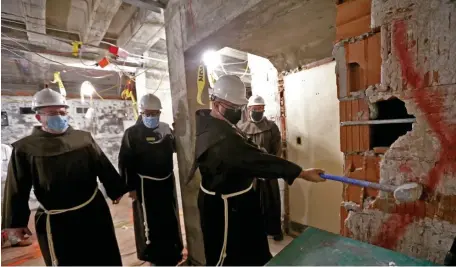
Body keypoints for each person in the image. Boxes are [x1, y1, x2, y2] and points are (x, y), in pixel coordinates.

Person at [192, 74, 326, 266]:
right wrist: (301, 172)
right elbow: (256, 159)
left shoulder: (216, 123)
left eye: (240, 107)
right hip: (226, 207)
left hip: (240, 198)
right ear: (216, 103)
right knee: (230, 255)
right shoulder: (221, 139)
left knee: (252, 247)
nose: (239, 112)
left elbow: (255, 153)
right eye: (234, 108)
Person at [1, 88, 127, 266]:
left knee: (103, 256)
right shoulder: (25, 148)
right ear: (38, 117)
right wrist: (16, 222)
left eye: (62, 112)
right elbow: (17, 187)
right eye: (52, 113)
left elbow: (102, 164)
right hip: (57, 219)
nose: (59, 117)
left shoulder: (83, 138)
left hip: (93, 211)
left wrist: (116, 189)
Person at [118, 94, 187, 266]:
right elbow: (125, 161)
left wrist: (180, 132)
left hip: (166, 183)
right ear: (141, 113)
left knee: (169, 218)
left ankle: (173, 251)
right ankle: (153, 255)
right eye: (148, 113)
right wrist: (130, 188)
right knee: (149, 222)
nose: (151, 117)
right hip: (144, 186)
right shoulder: (132, 134)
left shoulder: (164, 129)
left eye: (155, 113)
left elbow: (175, 147)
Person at [237, 95, 284, 241]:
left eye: (261, 108)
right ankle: (256, 232)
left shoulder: (271, 127)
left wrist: (271, 166)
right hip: (251, 174)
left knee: (272, 202)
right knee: (253, 203)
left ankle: (275, 230)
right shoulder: (241, 128)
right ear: (249, 109)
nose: (258, 110)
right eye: (255, 108)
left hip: (269, 171)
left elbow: (277, 148)